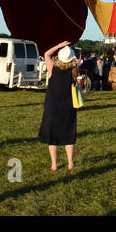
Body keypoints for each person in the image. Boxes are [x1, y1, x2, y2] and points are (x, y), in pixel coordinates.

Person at [39, 42, 78, 170]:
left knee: (52, 135)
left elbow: (46, 54)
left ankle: (54, 164)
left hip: (52, 105)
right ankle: (70, 163)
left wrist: (58, 45)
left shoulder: (52, 67)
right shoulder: (73, 71)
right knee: (68, 133)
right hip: (68, 105)